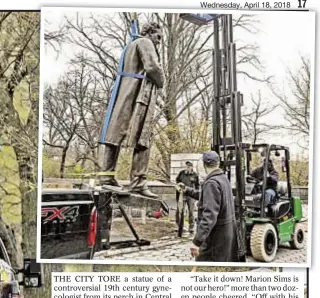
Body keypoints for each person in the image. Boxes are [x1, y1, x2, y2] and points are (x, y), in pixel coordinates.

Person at [99, 22, 165, 198]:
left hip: (125, 93)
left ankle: (106, 178)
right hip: (138, 96)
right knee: (143, 137)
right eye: (158, 36)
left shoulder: (131, 44)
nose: (159, 41)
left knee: (114, 134)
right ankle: (138, 181)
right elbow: (152, 67)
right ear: (150, 33)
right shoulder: (145, 42)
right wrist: (162, 80)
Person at [177, 151, 239, 262]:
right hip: (224, 237)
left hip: (214, 239)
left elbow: (209, 216)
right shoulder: (223, 179)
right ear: (218, 164)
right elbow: (205, 196)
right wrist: (187, 189)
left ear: (204, 165)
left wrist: (197, 242)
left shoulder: (211, 183)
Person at [175, 161, 199, 233]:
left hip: (191, 196)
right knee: (179, 210)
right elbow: (177, 182)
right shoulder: (181, 173)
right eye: (186, 166)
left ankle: (191, 227)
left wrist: (196, 194)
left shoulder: (195, 175)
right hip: (182, 194)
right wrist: (179, 187)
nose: (187, 167)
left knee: (191, 211)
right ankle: (179, 226)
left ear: (191, 167)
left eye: (189, 166)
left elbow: (197, 186)